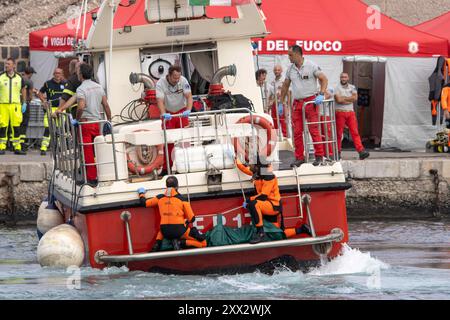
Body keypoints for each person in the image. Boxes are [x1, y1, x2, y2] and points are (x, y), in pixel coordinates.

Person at [233, 154, 312, 244]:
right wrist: (236, 160)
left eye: (251, 164)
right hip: (265, 206)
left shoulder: (269, 176)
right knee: (277, 235)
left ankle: (260, 233)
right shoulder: (258, 173)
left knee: (254, 204)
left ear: (257, 166)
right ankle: (301, 229)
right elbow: (244, 169)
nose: (249, 165)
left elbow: (263, 196)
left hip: (273, 206)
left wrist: (248, 200)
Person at [280, 45, 328, 167]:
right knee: (296, 132)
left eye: (290, 55)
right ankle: (299, 157)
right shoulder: (290, 69)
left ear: (297, 54)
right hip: (297, 103)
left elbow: (324, 79)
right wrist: (281, 102)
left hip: (311, 102)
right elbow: (285, 85)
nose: (289, 57)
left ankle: (319, 156)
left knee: (314, 130)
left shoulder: (311, 65)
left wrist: (321, 94)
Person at [138, 176, 207, 251]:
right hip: (179, 231)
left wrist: (141, 193)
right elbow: (192, 219)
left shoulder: (160, 198)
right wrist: (186, 221)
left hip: (165, 232)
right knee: (203, 243)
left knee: (163, 227)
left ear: (166, 186)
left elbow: (144, 203)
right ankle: (180, 242)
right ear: (177, 186)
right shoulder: (182, 200)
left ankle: (157, 243)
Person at [72, 63, 112, 186]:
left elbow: (81, 106)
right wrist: (109, 121)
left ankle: (92, 178)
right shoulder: (98, 87)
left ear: (81, 75)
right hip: (97, 122)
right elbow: (105, 105)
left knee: (87, 151)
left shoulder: (81, 89)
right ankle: (102, 173)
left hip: (85, 123)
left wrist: (77, 119)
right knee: (97, 149)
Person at [156, 65, 193, 174]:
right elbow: (160, 101)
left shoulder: (183, 81)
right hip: (168, 114)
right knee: (169, 142)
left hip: (182, 113)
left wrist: (188, 110)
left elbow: (189, 97)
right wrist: (163, 114)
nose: (177, 80)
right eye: (174, 78)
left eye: (178, 77)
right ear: (169, 75)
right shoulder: (160, 83)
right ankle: (166, 168)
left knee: (185, 141)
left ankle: (186, 166)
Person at [334, 73, 370, 160]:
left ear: (348, 78)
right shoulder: (336, 87)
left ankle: (361, 151)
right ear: (340, 78)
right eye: (342, 77)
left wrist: (344, 99)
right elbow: (338, 100)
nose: (343, 78)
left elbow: (355, 98)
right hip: (340, 112)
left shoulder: (352, 87)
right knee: (339, 134)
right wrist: (349, 98)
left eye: (345, 77)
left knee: (355, 132)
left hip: (350, 113)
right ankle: (337, 152)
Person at [0, 58, 26, 155]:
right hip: (3, 105)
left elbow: (23, 89)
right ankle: (2, 147)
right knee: (3, 126)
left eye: (9, 64)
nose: (6, 65)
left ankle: (17, 147)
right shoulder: (1, 77)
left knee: (16, 126)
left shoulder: (19, 77)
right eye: (6, 64)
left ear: (14, 66)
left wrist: (24, 103)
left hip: (15, 105)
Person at [38, 68, 66, 155]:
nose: (57, 75)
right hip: (50, 109)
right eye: (56, 73)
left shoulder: (66, 84)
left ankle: (57, 148)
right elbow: (39, 93)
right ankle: (43, 148)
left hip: (61, 109)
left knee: (59, 129)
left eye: (59, 73)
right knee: (47, 128)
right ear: (53, 74)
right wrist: (44, 101)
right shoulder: (48, 83)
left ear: (62, 74)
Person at [18, 66, 37, 150]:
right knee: (24, 123)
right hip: (24, 104)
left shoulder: (18, 78)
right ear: (30, 73)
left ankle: (12, 143)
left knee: (15, 123)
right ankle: (21, 143)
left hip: (14, 103)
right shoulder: (29, 81)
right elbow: (30, 96)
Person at [268, 65, 288, 137]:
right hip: (274, 104)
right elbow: (271, 94)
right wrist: (268, 104)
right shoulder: (272, 82)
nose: (276, 71)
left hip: (281, 103)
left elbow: (280, 93)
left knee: (283, 122)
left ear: (281, 71)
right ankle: (275, 138)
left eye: (278, 70)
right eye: (275, 70)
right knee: (274, 121)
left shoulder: (284, 80)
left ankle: (286, 137)